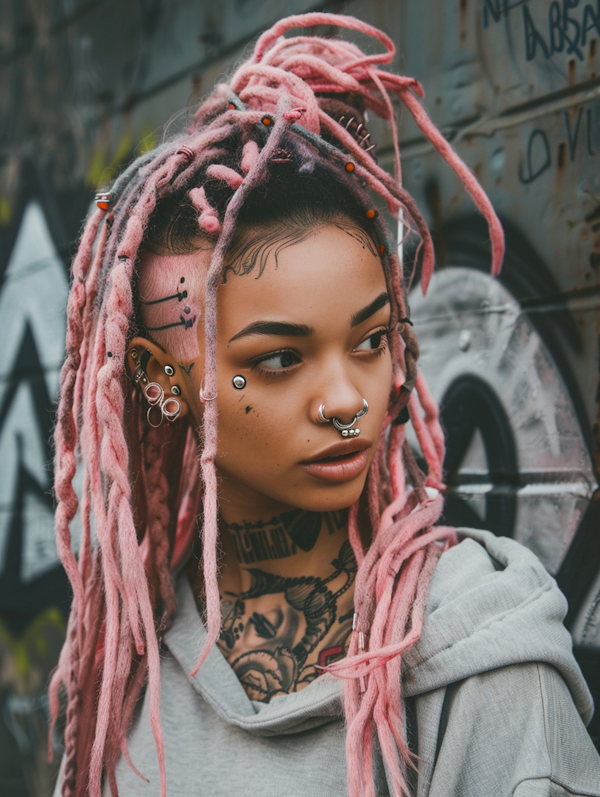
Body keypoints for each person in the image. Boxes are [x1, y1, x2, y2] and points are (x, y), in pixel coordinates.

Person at [49, 12, 600, 797]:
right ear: (159, 381)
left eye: (372, 340)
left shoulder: (487, 670)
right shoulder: (129, 675)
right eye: (277, 359)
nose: (348, 401)